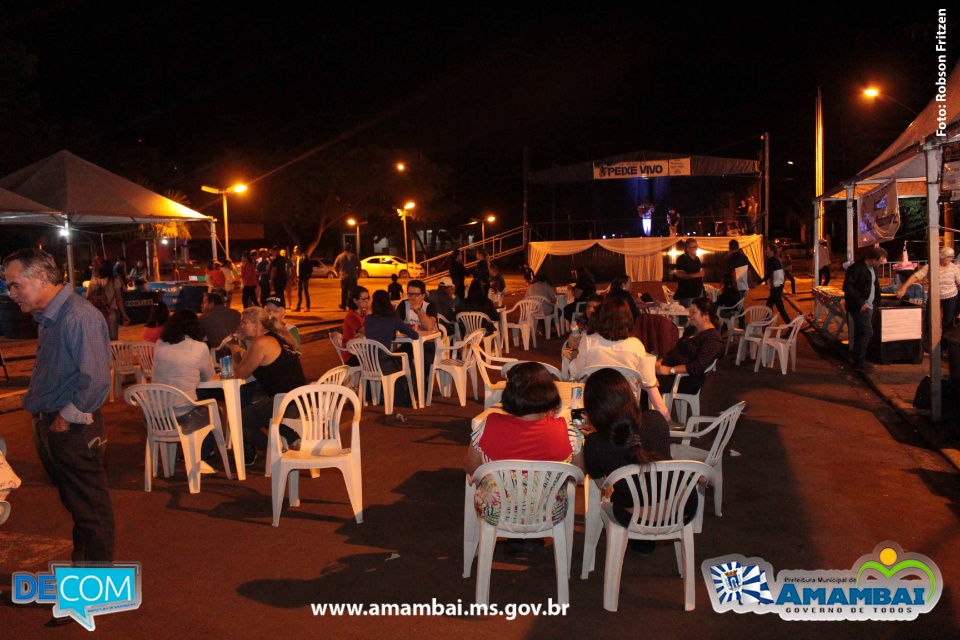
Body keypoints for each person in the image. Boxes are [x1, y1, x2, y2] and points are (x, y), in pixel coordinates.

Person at [3, 249, 115, 574]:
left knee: (90, 511)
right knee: (79, 508)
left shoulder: (77, 316)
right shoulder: (51, 316)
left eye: (14, 285)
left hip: (72, 429)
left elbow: (94, 380)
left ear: (40, 279)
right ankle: (86, 581)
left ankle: (92, 591)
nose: (10, 293)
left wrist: (64, 419)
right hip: (54, 426)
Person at [465, 361, 584, 555]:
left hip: (498, 510)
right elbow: (579, 475)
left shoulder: (489, 425)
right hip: (548, 510)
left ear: (509, 394)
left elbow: (471, 468)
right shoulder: (566, 430)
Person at [582, 367, 695, 553]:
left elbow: (601, 483)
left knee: (629, 496)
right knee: (648, 491)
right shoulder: (656, 419)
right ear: (629, 397)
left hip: (633, 515)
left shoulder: (595, 443)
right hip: (681, 505)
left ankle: (641, 538)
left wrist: (598, 435)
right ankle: (646, 539)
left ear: (593, 409)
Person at [225, 306, 306, 465]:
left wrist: (234, 349)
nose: (240, 326)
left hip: (285, 402)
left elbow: (241, 372)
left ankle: (277, 447)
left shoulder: (262, 342)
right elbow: (253, 360)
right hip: (296, 398)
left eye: (244, 322)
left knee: (237, 418)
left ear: (256, 324)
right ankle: (289, 438)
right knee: (253, 410)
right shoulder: (273, 337)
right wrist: (246, 341)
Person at [567, 297, 670, 420]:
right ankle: (665, 416)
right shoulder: (635, 345)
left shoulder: (589, 341)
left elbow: (575, 373)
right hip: (626, 408)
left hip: (595, 406)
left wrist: (571, 360)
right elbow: (648, 381)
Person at [151, 309, 220, 465]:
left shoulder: (160, 344)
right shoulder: (199, 347)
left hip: (156, 415)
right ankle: (199, 457)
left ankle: (188, 453)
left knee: (195, 400)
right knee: (213, 410)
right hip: (183, 416)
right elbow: (208, 378)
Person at [654, 297, 724, 399]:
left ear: (706, 316)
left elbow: (697, 366)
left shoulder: (713, 339)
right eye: (689, 311)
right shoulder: (692, 330)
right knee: (640, 377)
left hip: (685, 379)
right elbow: (676, 350)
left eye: (693, 312)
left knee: (647, 384)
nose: (690, 315)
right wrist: (660, 361)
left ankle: (651, 413)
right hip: (670, 372)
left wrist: (670, 370)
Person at [363, 290, 419, 408]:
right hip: (384, 363)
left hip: (369, 362)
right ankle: (408, 398)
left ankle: (373, 395)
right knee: (407, 361)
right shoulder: (393, 320)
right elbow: (415, 336)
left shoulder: (368, 319)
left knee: (398, 356)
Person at [843, 247, 887, 374]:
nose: (881, 263)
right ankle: (859, 361)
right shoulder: (857, 268)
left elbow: (875, 285)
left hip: (869, 305)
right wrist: (860, 302)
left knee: (861, 333)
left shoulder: (873, 269)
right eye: (880, 261)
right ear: (873, 259)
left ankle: (859, 360)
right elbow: (847, 286)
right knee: (867, 332)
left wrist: (877, 300)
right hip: (860, 307)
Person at [897, 246, 960, 329]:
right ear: (942, 256)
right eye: (949, 257)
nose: (951, 259)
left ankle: (945, 340)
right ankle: (930, 338)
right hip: (934, 295)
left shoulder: (954, 268)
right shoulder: (930, 267)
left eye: (952, 257)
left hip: (950, 295)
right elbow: (915, 276)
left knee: (948, 320)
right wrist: (904, 288)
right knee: (930, 319)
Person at [396, 279, 438, 403]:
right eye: (410, 294)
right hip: (409, 343)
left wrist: (418, 310)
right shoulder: (403, 305)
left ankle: (419, 391)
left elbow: (429, 326)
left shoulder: (430, 306)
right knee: (398, 358)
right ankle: (407, 392)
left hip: (428, 344)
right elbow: (396, 323)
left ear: (423, 295)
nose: (412, 297)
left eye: (416, 294)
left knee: (424, 361)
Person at [87, 260, 131, 340]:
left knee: (99, 339)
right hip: (111, 311)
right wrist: (124, 314)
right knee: (113, 339)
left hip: (96, 313)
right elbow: (119, 299)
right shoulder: (115, 281)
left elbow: (88, 298)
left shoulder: (93, 281)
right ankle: (113, 352)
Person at [199, 291, 241, 361]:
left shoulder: (204, 317)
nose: (202, 305)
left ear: (211, 304)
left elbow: (199, 337)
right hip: (240, 351)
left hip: (220, 355)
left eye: (204, 303)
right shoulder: (236, 313)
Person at [759, 243, 790, 323]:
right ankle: (765, 323)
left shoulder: (771, 261)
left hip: (775, 288)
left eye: (767, 250)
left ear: (772, 251)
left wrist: (758, 282)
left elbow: (769, 275)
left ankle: (791, 325)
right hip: (778, 287)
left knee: (779, 308)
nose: (766, 251)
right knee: (769, 306)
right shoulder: (777, 260)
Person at [342, 285, 370, 365]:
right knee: (380, 358)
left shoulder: (362, 314)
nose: (367, 301)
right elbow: (368, 332)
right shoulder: (352, 316)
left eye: (368, 298)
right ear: (355, 300)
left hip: (360, 350)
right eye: (364, 299)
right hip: (351, 355)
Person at [673, 238, 705, 308]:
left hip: (697, 291)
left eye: (697, 246)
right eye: (694, 247)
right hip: (687, 293)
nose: (696, 249)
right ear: (688, 248)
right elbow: (681, 275)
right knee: (686, 313)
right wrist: (696, 275)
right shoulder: (682, 259)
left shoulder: (697, 259)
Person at [334, 242, 360, 311]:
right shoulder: (354, 256)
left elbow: (335, 266)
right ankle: (352, 305)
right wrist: (358, 274)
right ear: (350, 248)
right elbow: (359, 265)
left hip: (344, 276)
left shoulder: (340, 256)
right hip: (353, 276)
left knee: (344, 292)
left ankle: (343, 305)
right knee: (352, 292)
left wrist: (338, 273)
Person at [294, 245, 312, 312]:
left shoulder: (304, 257)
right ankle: (298, 307)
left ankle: (307, 306)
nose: (294, 251)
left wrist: (307, 275)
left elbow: (309, 268)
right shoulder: (297, 258)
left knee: (305, 291)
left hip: (304, 277)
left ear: (299, 250)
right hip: (299, 277)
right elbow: (297, 268)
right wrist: (296, 276)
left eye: (295, 249)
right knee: (299, 292)